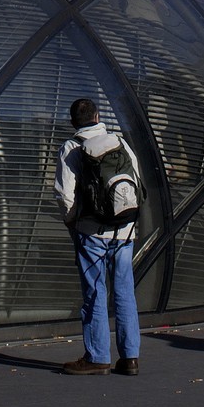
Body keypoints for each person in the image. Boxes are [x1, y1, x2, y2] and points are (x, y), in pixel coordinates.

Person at [54, 97, 141, 376]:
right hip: (125, 231)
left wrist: (72, 223)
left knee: (94, 292)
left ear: (73, 122)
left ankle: (98, 356)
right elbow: (136, 180)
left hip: (91, 232)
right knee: (125, 291)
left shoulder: (72, 147)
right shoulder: (119, 142)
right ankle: (130, 358)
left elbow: (65, 194)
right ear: (98, 115)